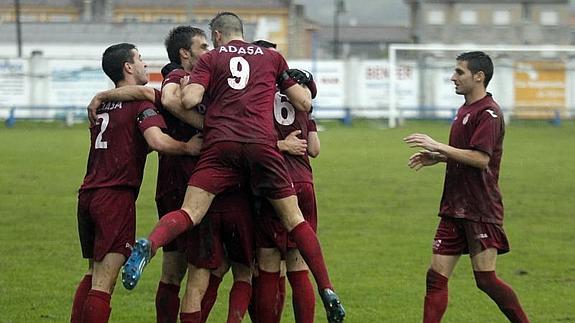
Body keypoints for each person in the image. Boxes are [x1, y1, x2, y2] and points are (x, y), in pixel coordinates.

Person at [122, 12, 345, 323]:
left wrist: (199, 97)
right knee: (294, 221)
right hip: (262, 147)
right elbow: (303, 103)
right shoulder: (272, 57)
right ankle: (327, 289)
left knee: (190, 213)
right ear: (243, 32)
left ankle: (150, 243)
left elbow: (189, 99)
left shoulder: (211, 59)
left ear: (216, 36)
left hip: (220, 147)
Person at [70, 43, 202, 323]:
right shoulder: (140, 104)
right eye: (140, 59)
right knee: (103, 285)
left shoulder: (103, 103)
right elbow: (157, 141)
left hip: (89, 194)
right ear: (128, 67)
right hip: (115, 197)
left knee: (94, 273)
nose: (145, 64)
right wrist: (187, 147)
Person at [403, 51, 529, 323]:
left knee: (485, 279)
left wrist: (438, 145)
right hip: (454, 206)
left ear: (479, 76)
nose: (453, 77)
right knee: (435, 278)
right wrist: (438, 157)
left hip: (479, 208)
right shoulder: (465, 110)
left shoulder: (489, 113)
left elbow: (481, 159)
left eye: (459, 72)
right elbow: (465, 153)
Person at [250, 39, 320, 323]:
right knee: (298, 265)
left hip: (274, 183)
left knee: (267, 265)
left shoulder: (255, 97)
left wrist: (278, 144)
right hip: (304, 183)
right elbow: (314, 149)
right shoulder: (301, 103)